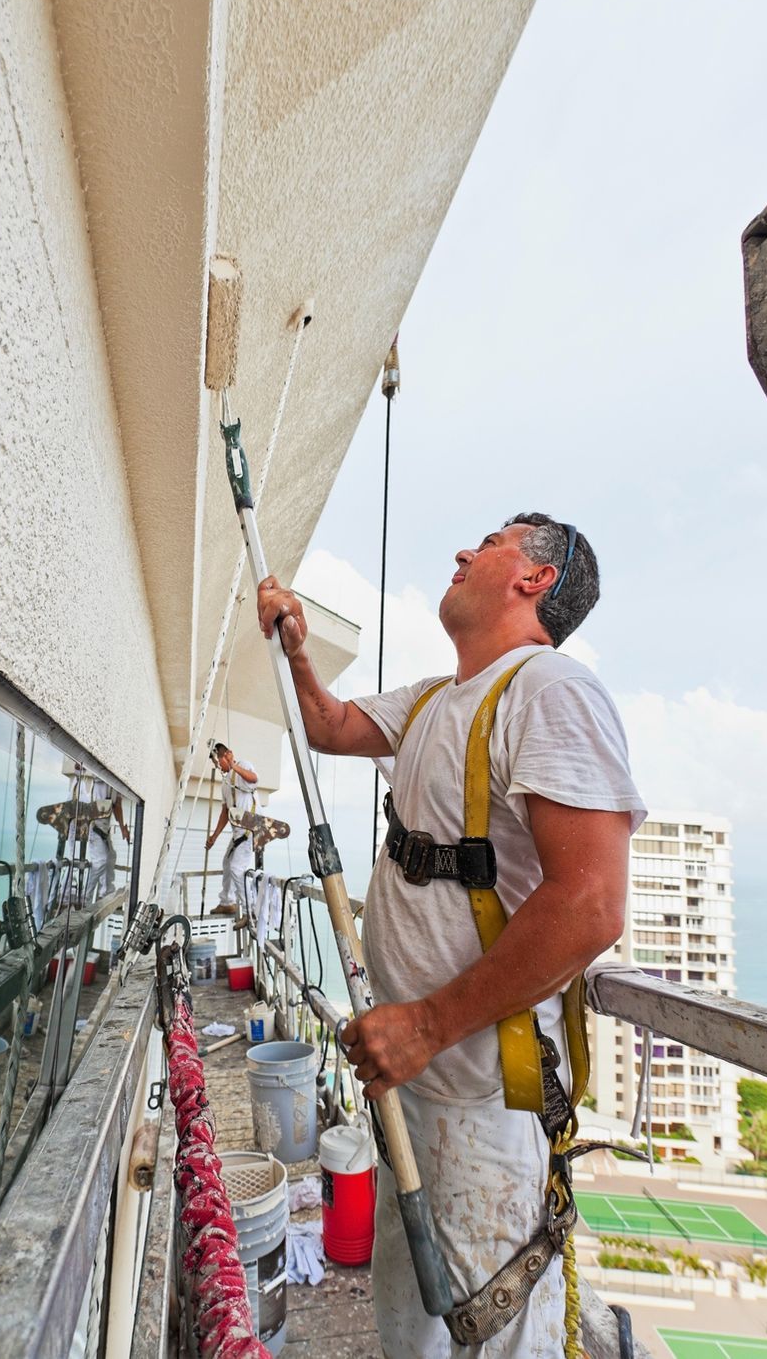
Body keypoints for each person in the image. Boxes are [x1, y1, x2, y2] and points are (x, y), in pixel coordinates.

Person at [256, 514, 642, 1359]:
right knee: (416, 1328)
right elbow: (328, 725)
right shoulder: (437, 699)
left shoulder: (549, 691)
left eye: (493, 541)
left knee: (487, 1333)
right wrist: (295, 649)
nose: (465, 551)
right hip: (413, 1083)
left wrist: (427, 1025)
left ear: (536, 578)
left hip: (478, 1095)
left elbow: (591, 902)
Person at [202, 742, 259, 915]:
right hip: (238, 831)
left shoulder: (242, 766)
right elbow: (225, 812)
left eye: (218, 761)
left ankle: (251, 911)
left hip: (249, 827)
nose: (217, 766)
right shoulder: (225, 783)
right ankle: (227, 902)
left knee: (236, 868)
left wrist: (234, 766)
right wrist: (214, 836)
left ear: (227, 755)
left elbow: (254, 779)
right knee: (227, 864)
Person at [64, 760, 129, 903]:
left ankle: (105, 892)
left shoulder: (116, 787)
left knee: (111, 856)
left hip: (104, 828)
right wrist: (81, 768)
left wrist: (123, 827)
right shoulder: (103, 779)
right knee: (100, 861)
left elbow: (117, 806)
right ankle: (85, 898)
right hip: (95, 827)